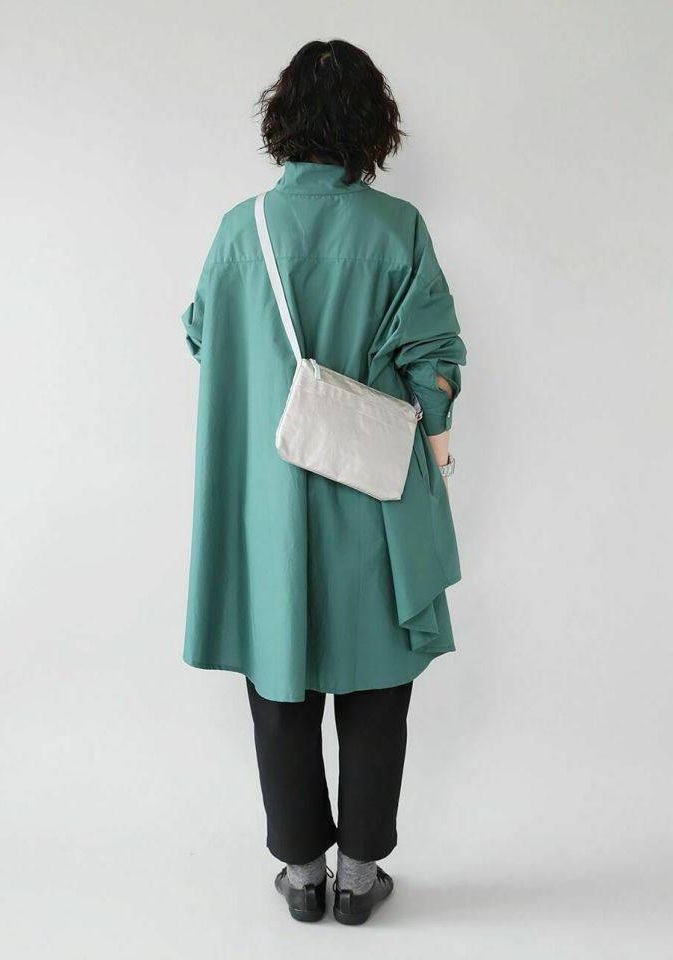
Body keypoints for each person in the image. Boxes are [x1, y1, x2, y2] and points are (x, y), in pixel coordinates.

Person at [179, 39, 467, 925]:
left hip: (268, 504)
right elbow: (433, 359)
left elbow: (201, 335)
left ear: (284, 120)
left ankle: (302, 872)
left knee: (281, 680)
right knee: (377, 687)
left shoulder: (241, 230)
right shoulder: (397, 228)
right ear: (371, 125)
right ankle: (358, 875)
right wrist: (439, 435)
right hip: (372, 495)